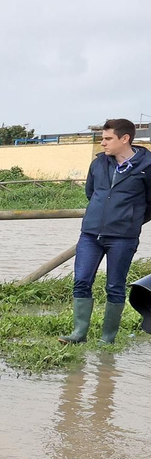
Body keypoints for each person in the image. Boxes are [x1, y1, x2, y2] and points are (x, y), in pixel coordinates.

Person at [58, 118, 151, 345]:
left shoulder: (147, 167)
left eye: (108, 138)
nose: (103, 143)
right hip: (91, 234)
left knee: (114, 286)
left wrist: (130, 220)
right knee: (81, 281)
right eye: (103, 138)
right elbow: (91, 193)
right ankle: (78, 334)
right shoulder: (98, 164)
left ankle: (107, 339)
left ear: (125, 138)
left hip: (123, 237)